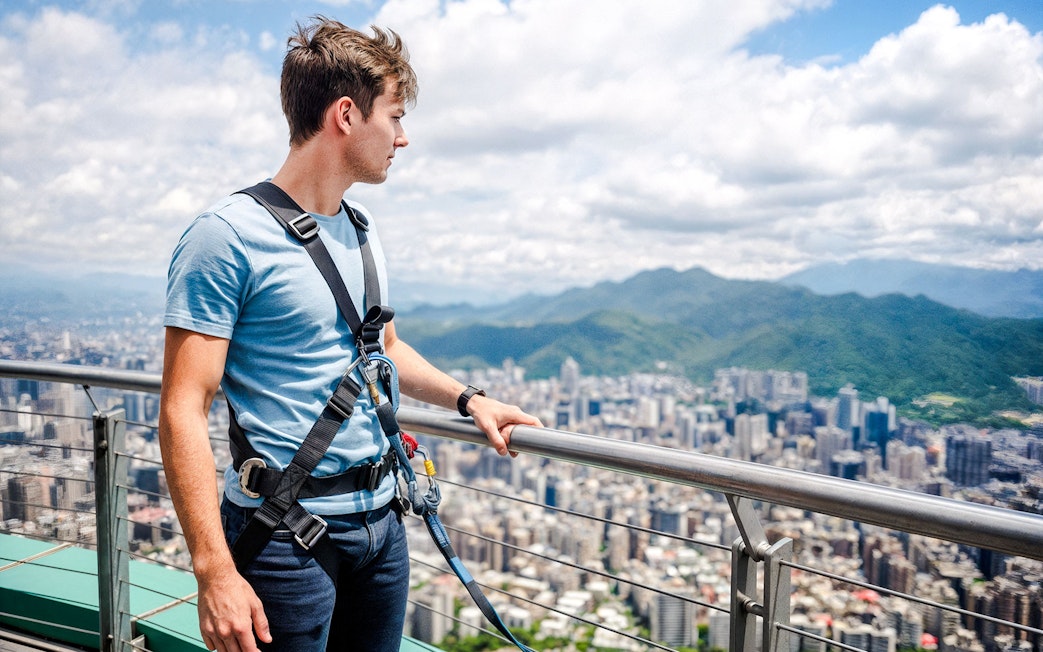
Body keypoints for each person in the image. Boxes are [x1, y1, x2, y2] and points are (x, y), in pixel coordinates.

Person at [158, 17, 542, 652]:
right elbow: (182, 407)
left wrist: (469, 400)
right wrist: (214, 571)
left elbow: (383, 349)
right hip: (283, 536)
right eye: (393, 116)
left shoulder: (361, 231)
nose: (403, 137)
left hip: (382, 526)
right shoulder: (225, 236)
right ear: (345, 114)